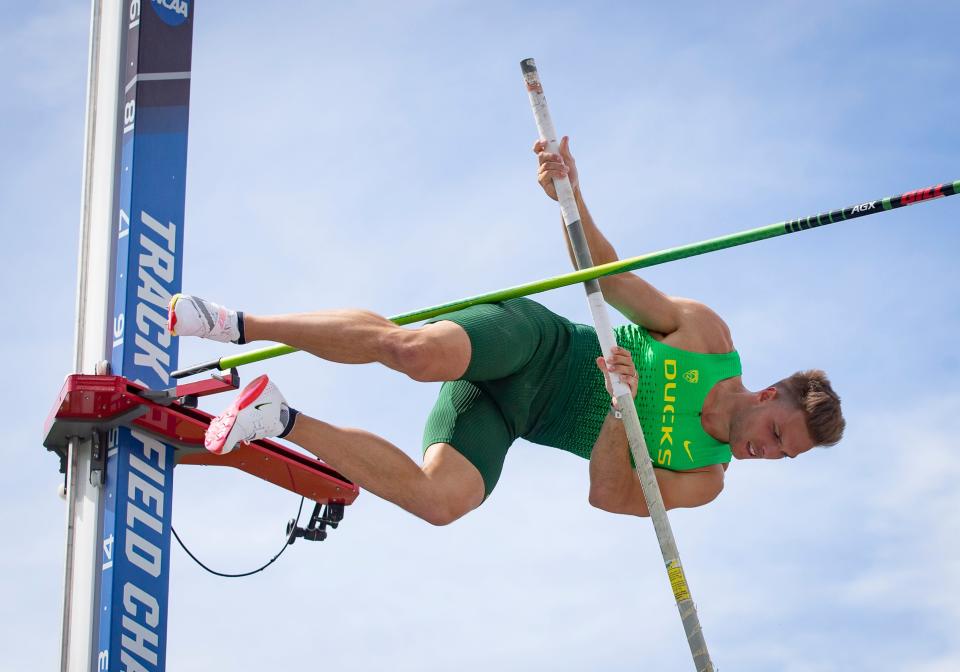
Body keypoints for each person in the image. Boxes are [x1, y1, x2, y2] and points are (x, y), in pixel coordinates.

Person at [170, 137, 845, 525]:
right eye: (780, 436)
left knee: (443, 503)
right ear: (769, 395)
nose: (771, 454)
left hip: (514, 413)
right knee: (414, 352)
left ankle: (276, 416)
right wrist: (569, 201)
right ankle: (233, 323)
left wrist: (623, 411)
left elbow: (608, 494)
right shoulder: (703, 338)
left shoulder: (705, 478)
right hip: (537, 344)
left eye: (787, 457)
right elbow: (609, 278)